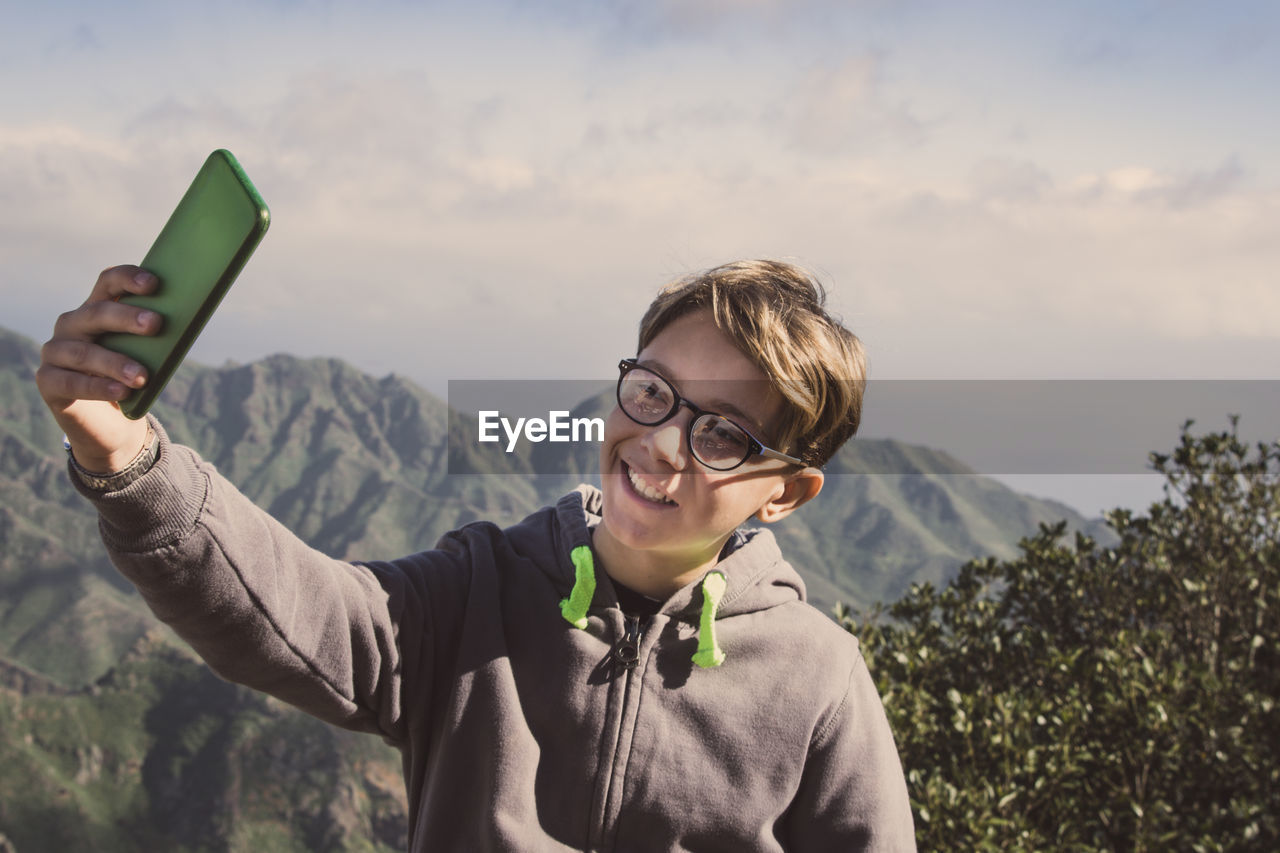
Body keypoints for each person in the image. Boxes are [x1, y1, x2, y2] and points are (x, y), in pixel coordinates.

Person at [37, 259, 916, 851]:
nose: (661, 444)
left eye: (722, 433)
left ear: (785, 492)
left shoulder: (819, 682)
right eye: (653, 393)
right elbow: (294, 609)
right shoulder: (480, 589)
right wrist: (130, 461)